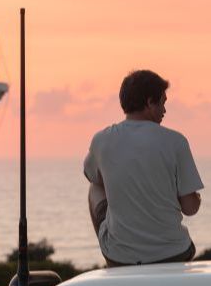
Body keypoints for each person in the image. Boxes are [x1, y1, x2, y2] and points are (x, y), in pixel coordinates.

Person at [84, 69, 204, 267]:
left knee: (95, 185)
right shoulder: (176, 141)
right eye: (163, 103)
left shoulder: (101, 140)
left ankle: (113, 241)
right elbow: (191, 208)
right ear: (149, 102)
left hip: (119, 257)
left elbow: (91, 176)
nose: (165, 110)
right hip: (174, 253)